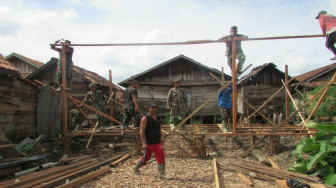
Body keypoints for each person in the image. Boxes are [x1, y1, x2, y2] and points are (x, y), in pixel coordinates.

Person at [132, 101, 166, 178]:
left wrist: (160, 134)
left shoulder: (158, 117)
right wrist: (144, 143)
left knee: (161, 157)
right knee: (146, 158)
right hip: (149, 142)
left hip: (157, 142)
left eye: (156, 107)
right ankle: (136, 167)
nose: (154, 109)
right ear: (148, 108)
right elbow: (142, 130)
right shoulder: (145, 118)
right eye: (152, 107)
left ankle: (161, 174)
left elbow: (158, 127)